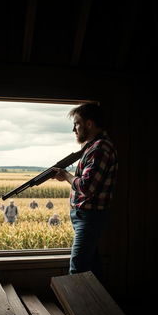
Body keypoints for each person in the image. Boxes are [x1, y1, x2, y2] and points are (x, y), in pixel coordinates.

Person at [53, 103, 118, 281]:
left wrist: (65, 175)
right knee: (92, 267)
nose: (74, 129)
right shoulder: (93, 147)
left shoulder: (99, 149)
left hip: (90, 216)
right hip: (86, 216)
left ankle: (75, 309)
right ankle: (99, 308)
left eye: (77, 124)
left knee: (78, 268)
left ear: (89, 124)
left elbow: (87, 187)